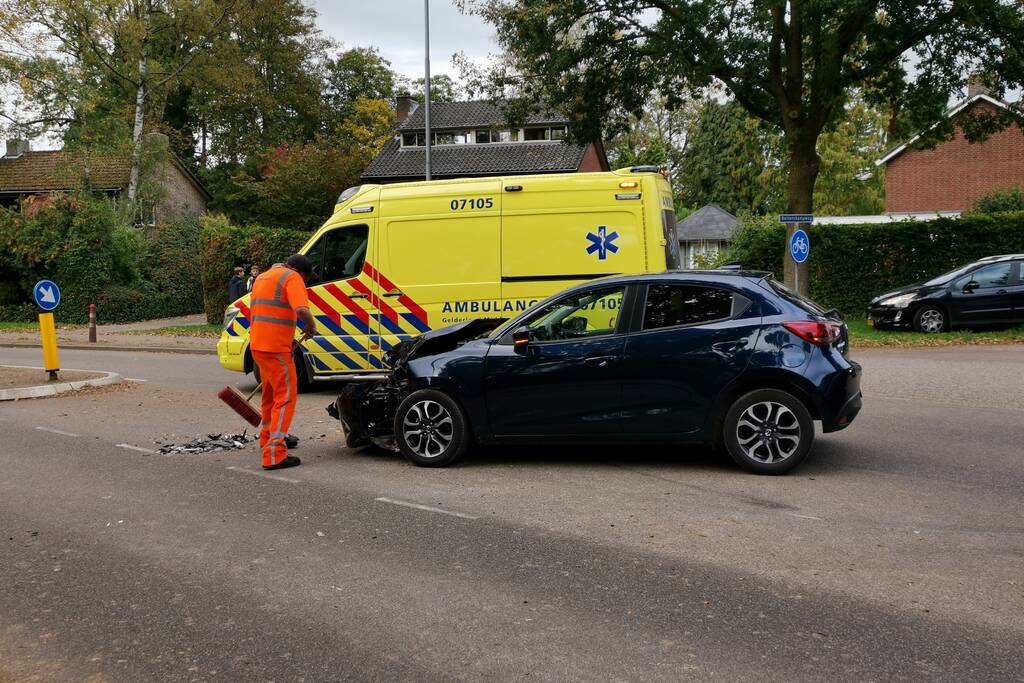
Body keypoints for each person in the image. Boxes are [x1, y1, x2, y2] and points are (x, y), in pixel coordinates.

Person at [248, 254, 318, 470]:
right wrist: (311, 326)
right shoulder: (292, 277)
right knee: (286, 397)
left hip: (258, 346)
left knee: (270, 396)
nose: (305, 282)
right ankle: (274, 454)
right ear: (301, 272)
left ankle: (267, 437)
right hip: (276, 349)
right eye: (307, 279)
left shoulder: (264, 277)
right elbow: (300, 309)